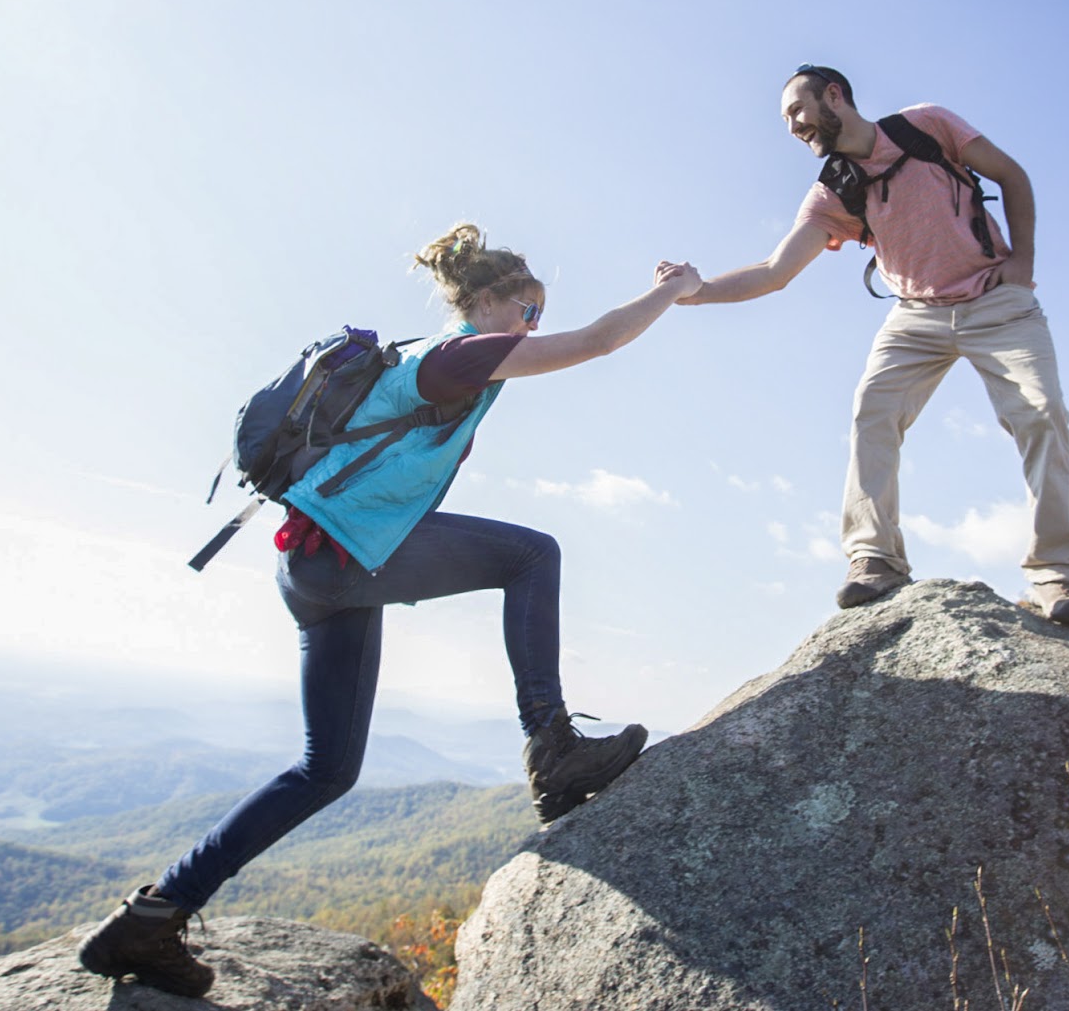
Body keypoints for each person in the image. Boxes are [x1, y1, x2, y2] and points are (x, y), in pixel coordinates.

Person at [78, 221, 702, 997]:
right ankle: (553, 745)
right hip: (341, 552)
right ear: (483, 301)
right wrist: (671, 288)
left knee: (326, 769)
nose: (532, 325)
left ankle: (152, 914)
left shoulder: (425, 356)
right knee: (533, 553)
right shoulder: (455, 355)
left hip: (314, 560)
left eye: (538, 314)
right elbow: (601, 341)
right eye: (527, 309)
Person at [681, 64, 1069, 629]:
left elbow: (1013, 175)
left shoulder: (928, 126)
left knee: (1042, 415)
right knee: (871, 414)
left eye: (797, 111)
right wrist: (698, 292)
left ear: (834, 96)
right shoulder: (834, 190)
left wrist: (1022, 262)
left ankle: (1056, 575)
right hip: (916, 315)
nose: (793, 127)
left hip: (997, 303)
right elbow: (775, 271)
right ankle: (875, 558)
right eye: (785, 121)